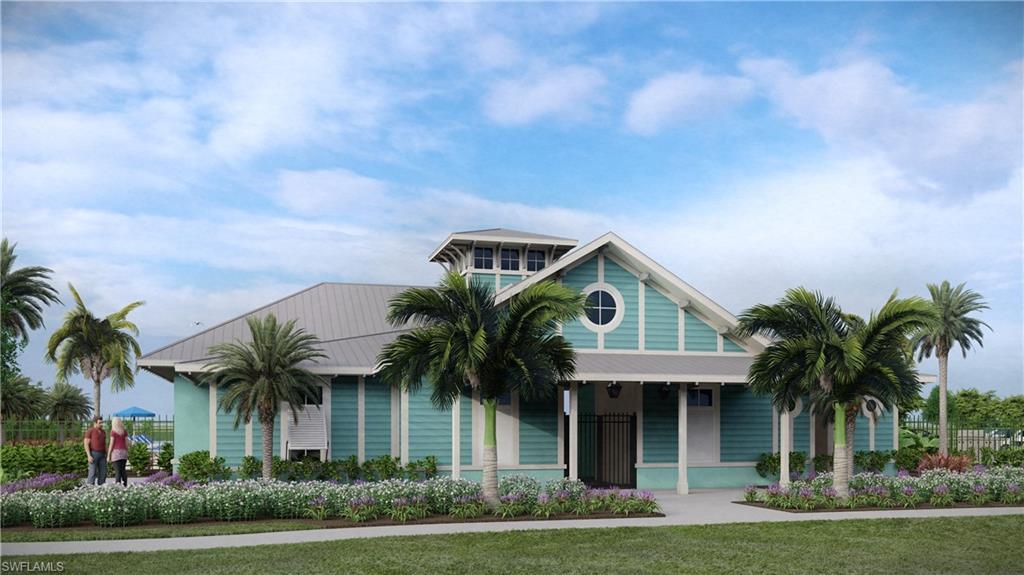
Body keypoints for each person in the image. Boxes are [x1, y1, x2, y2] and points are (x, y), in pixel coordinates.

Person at [83, 415, 108, 485]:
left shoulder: (103, 432)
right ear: (95, 423)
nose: (101, 424)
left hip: (103, 455)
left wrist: (108, 454)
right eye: (100, 423)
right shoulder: (90, 431)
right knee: (92, 473)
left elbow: (105, 444)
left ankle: (101, 488)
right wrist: (89, 456)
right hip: (93, 454)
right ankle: (90, 489)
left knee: (103, 472)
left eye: (102, 422)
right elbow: (86, 444)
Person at [108, 417, 131, 487]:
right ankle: (125, 486)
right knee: (123, 470)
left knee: (117, 472)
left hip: (115, 453)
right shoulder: (124, 431)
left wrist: (108, 455)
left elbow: (111, 444)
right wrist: (128, 451)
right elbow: (127, 443)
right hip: (124, 453)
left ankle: (118, 487)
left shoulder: (113, 432)